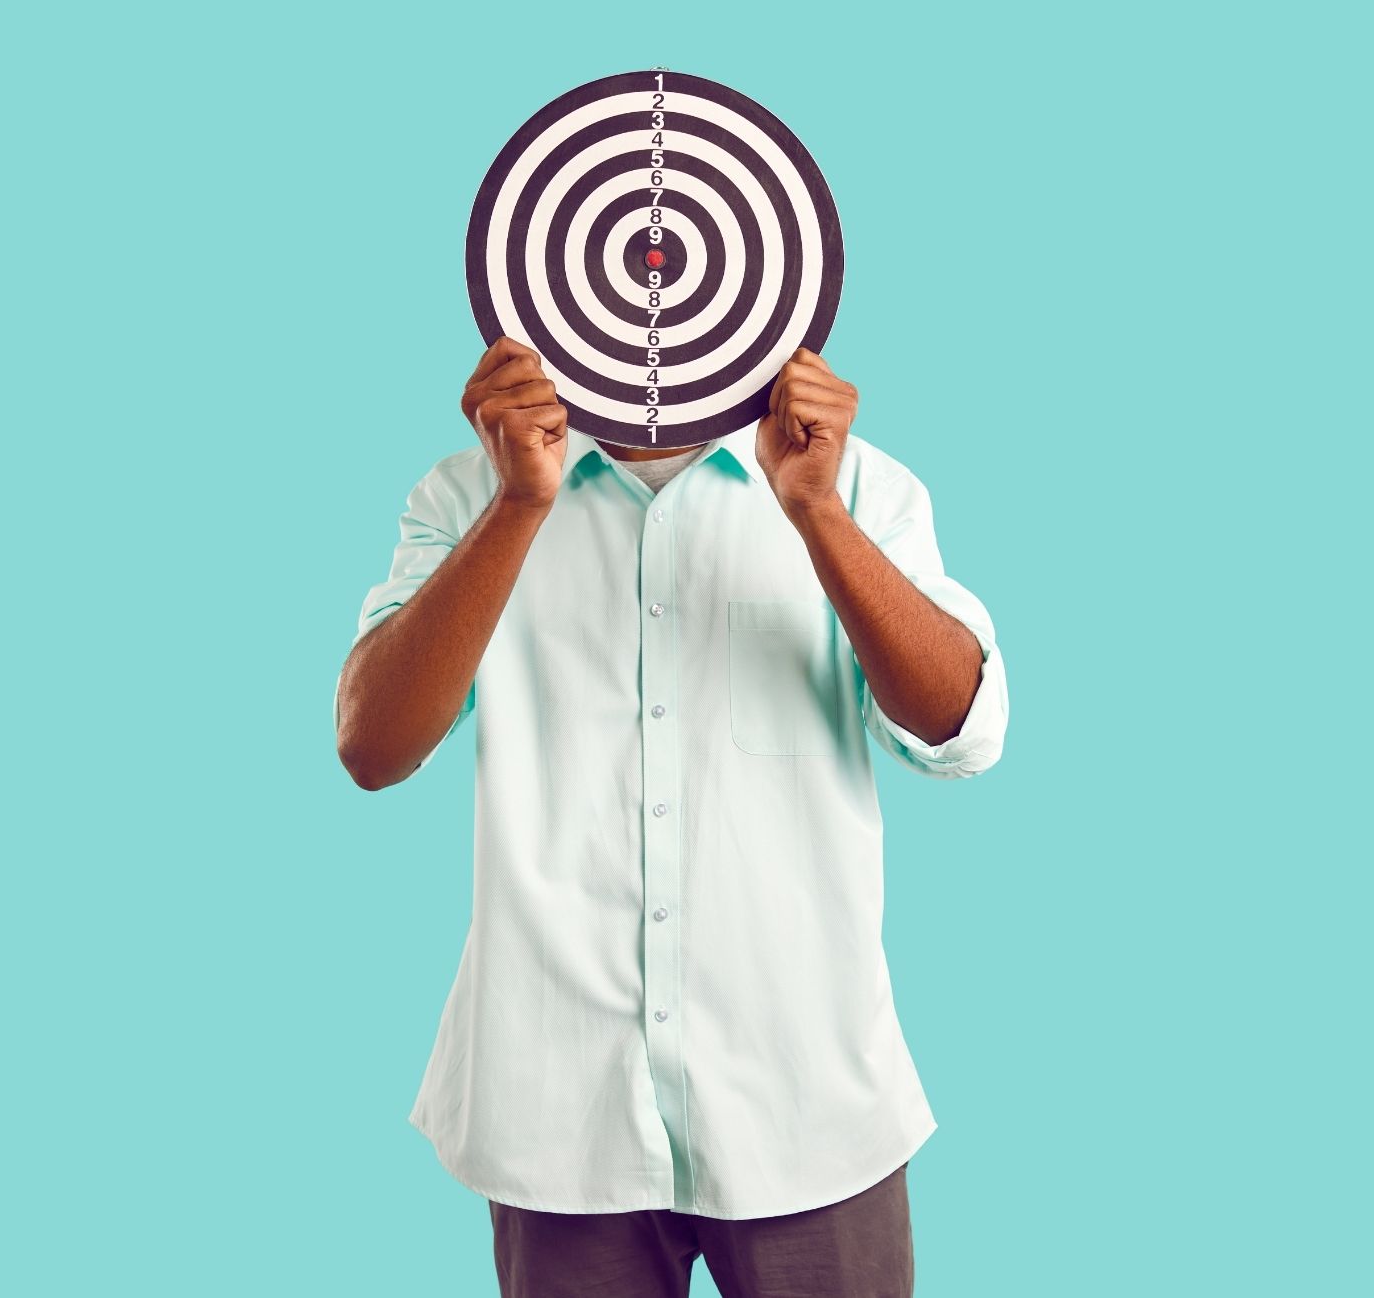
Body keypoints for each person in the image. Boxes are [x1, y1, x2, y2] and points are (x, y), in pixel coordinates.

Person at [334, 336, 1009, 1297]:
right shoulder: (466, 490)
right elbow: (372, 746)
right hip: (558, 1116)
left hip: (807, 1103)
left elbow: (960, 729)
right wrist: (520, 503)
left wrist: (815, 510)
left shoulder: (857, 484)